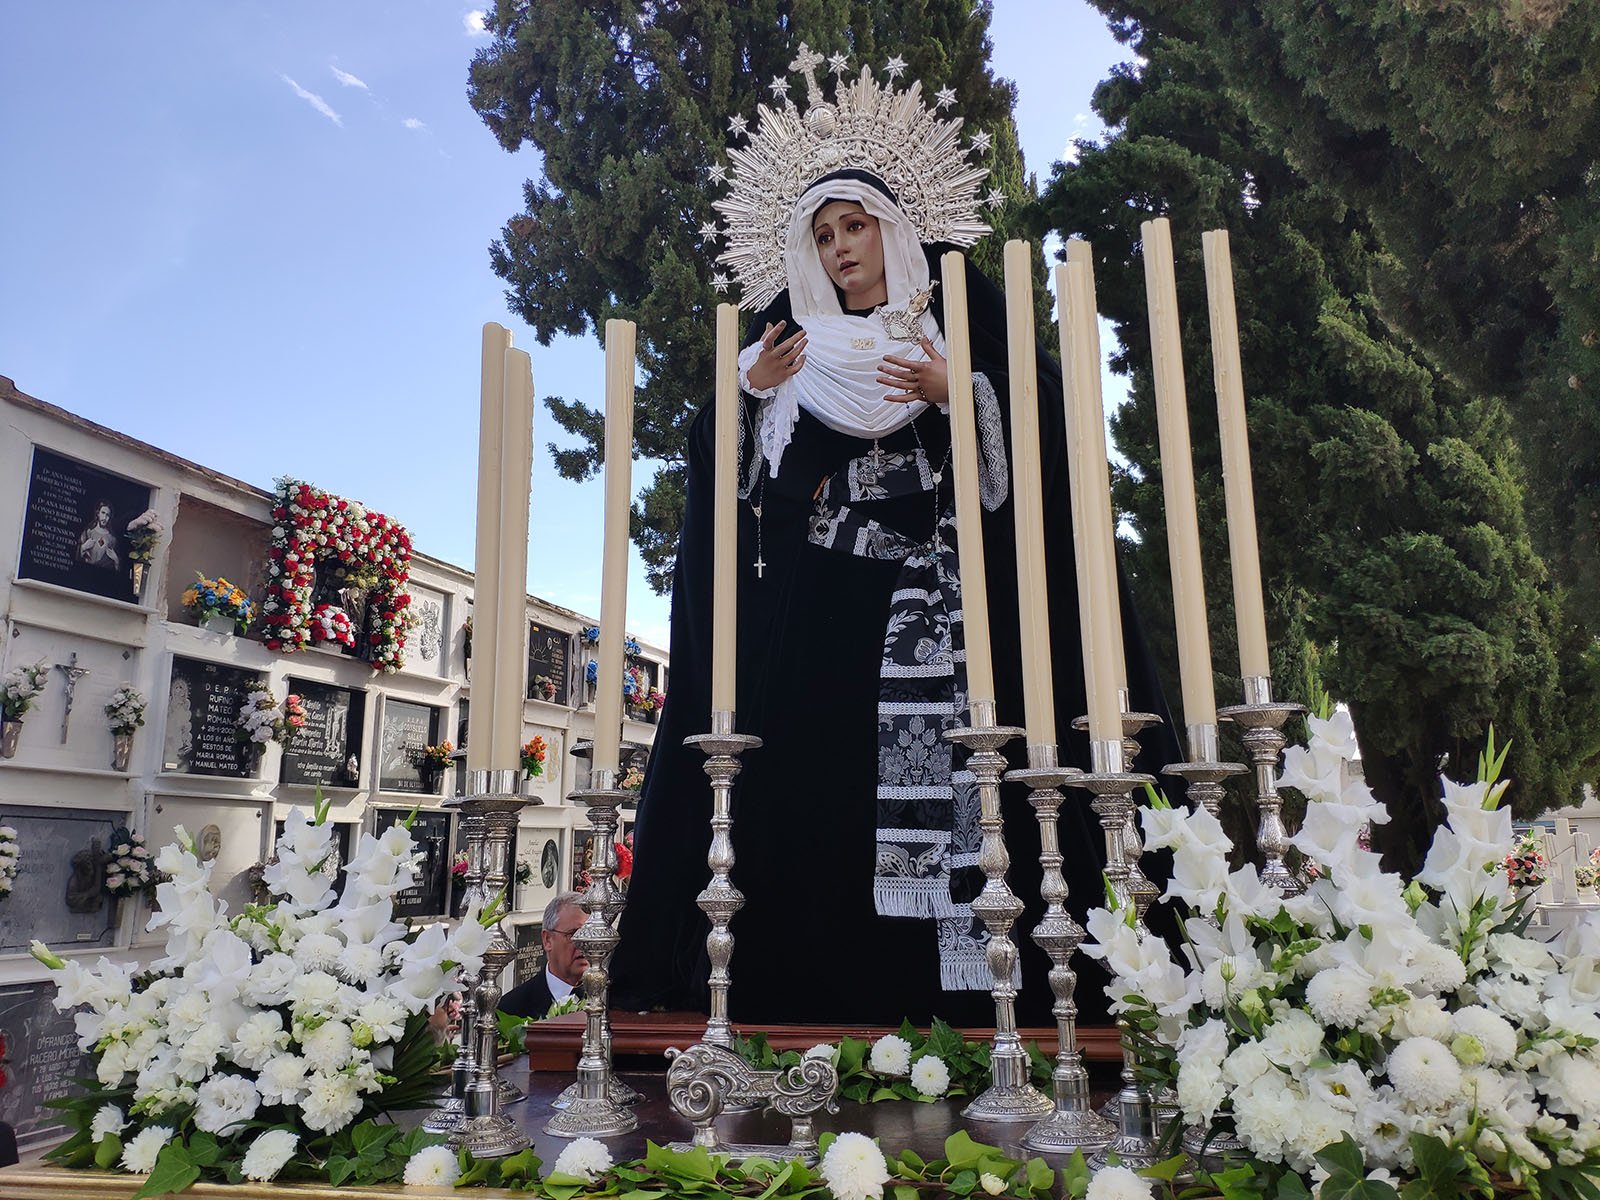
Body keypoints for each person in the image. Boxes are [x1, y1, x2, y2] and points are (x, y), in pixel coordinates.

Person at [610, 54, 1177, 1028]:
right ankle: (810, 1010)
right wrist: (747, 395)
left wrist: (960, 392)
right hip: (824, 619)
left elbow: (1046, 432)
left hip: (953, 617)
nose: (840, 249)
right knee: (815, 810)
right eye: (824, 234)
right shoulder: (787, 343)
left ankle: (981, 1006)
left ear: (893, 227)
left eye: (855, 225)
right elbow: (731, 487)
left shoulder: (963, 318)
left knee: (985, 794)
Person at [499, 891, 588, 1020]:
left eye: (590, 934)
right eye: (574, 934)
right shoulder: (510, 1009)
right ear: (547, 940)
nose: (585, 944)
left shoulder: (610, 1000)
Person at [78, 500, 119, 569]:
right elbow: (77, 556)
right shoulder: (88, 532)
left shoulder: (112, 538)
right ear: (98, 514)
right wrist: (83, 547)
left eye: (107, 515)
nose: (104, 518)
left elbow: (114, 566)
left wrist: (116, 560)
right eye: (103, 513)